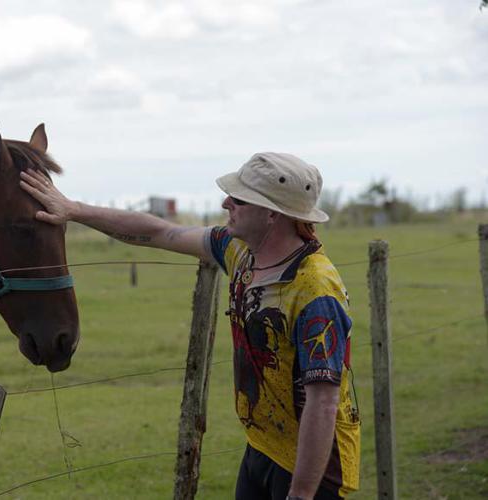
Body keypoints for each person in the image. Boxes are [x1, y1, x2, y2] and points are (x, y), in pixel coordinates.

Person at [20, 152, 360, 499]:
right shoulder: (240, 253)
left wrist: (301, 494)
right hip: (263, 445)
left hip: (313, 468)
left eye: (240, 199)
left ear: (272, 213)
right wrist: (73, 210)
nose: (226, 202)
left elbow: (323, 402)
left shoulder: (316, 292)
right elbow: (159, 232)